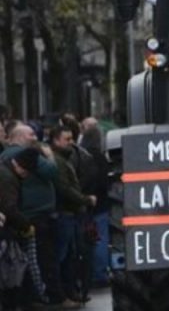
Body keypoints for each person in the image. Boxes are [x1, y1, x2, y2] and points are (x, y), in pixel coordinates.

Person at [1, 124, 68, 308]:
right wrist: (25, 225)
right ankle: (39, 298)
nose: (34, 137)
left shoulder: (7, 161)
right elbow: (53, 172)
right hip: (32, 217)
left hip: (22, 219)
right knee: (35, 261)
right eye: (30, 134)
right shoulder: (14, 171)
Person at [50, 126, 94, 306]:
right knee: (63, 256)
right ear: (56, 140)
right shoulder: (59, 161)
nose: (71, 142)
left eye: (71, 139)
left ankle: (69, 292)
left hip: (69, 213)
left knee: (70, 256)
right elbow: (64, 188)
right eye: (66, 139)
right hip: (64, 213)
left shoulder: (64, 159)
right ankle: (61, 295)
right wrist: (85, 200)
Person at [0, 147, 39, 311]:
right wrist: (26, 225)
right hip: (6, 231)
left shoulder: (5, 170)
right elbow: (10, 208)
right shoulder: (8, 178)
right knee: (11, 271)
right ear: (21, 167)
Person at [78, 121, 108, 288]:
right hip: (100, 204)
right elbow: (103, 182)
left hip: (81, 204)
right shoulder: (100, 158)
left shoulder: (80, 155)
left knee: (84, 240)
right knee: (100, 239)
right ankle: (99, 274)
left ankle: (85, 274)